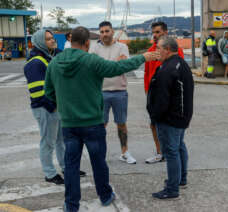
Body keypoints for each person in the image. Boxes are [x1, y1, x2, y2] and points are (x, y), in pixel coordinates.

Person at [44, 26, 159, 212]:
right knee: (98, 162)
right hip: (92, 123)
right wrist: (142, 58)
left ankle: (71, 204)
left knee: (71, 166)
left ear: (71, 41)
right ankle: (105, 196)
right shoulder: (91, 60)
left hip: (69, 124)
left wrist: (64, 105)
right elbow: (117, 68)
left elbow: (48, 92)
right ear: (87, 43)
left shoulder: (55, 63)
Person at [24, 29, 86, 185]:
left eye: (52, 38)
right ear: (39, 42)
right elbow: (38, 92)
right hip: (45, 108)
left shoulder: (50, 56)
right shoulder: (35, 62)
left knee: (61, 141)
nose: (52, 41)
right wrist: (53, 107)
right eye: (48, 39)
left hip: (56, 107)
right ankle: (50, 173)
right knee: (48, 142)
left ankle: (67, 168)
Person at [147, 36, 194, 199]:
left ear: (167, 49)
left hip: (170, 118)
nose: (156, 51)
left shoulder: (168, 69)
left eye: (158, 48)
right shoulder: (180, 63)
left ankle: (173, 188)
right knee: (179, 146)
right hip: (181, 116)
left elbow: (162, 99)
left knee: (171, 151)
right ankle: (181, 179)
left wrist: (155, 117)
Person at [89, 21, 136, 164]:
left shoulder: (122, 47)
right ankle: (99, 154)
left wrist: (106, 65)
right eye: (102, 32)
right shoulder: (94, 48)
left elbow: (124, 66)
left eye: (107, 31)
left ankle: (125, 152)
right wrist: (115, 63)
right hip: (101, 92)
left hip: (119, 92)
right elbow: (92, 68)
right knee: (100, 125)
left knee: (121, 124)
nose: (104, 34)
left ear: (112, 31)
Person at [144, 21, 184, 164]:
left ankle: (173, 151)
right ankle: (160, 152)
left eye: (158, 32)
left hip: (169, 97)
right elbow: (147, 74)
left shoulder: (175, 51)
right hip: (154, 96)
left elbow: (180, 73)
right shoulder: (150, 51)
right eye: (153, 32)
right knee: (153, 124)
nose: (155, 35)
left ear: (165, 32)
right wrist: (147, 93)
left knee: (171, 126)